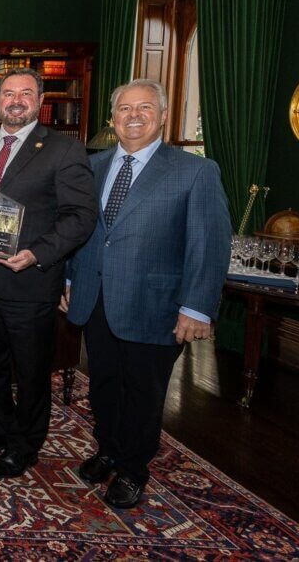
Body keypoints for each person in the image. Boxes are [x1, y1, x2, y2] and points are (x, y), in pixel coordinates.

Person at [61, 79, 230, 508]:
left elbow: (209, 244)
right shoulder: (91, 166)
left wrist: (196, 307)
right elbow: (76, 230)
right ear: (112, 118)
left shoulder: (195, 171)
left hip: (155, 304)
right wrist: (67, 278)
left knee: (143, 391)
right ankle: (108, 449)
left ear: (163, 115)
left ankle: (133, 470)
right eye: (124, 109)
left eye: (145, 108)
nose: (133, 116)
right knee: (103, 383)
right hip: (95, 296)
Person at [0, 67, 97, 479]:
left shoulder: (62, 149)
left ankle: (25, 445)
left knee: (32, 369)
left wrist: (37, 254)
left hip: (30, 280)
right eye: (7, 93)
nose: (15, 100)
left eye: (25, 93)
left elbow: (81, 216)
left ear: (39, 101)